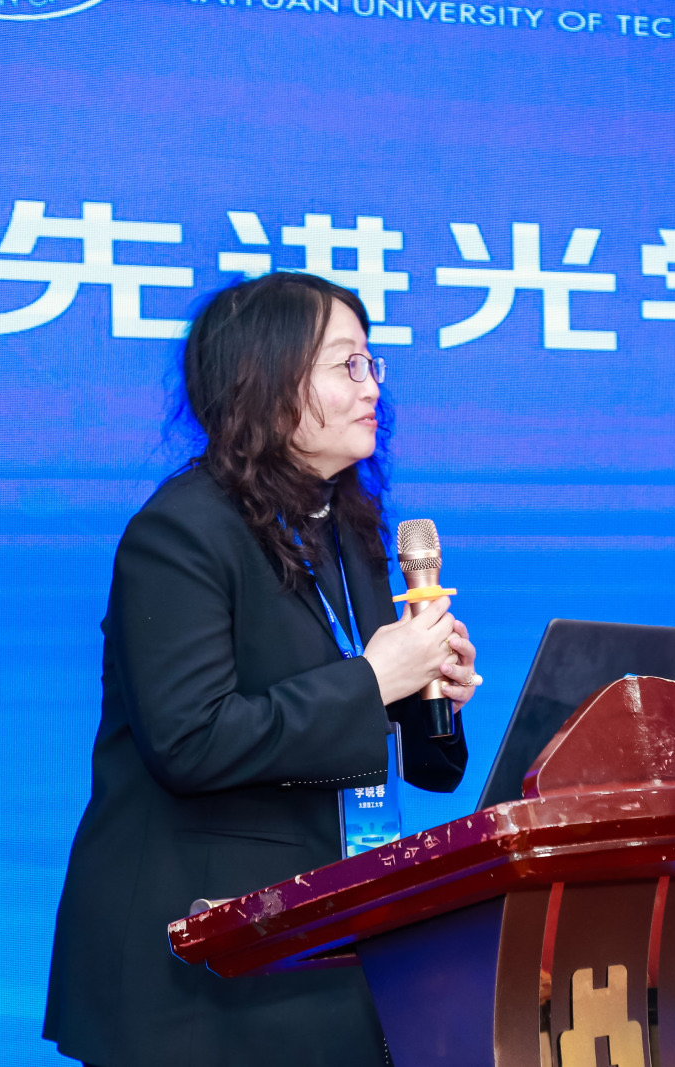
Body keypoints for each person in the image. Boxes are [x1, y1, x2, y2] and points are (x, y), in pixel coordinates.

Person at [42, 272, 478, 1067]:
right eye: (347, 364)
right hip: (200, 972)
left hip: (321, 940)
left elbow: (404, 752)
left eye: (373, 363)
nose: (372, 387)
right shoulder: (181, 532)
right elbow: (190, 740)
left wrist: (428, 690)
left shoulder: (347, 530)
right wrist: (374, 680)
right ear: (266, 380)